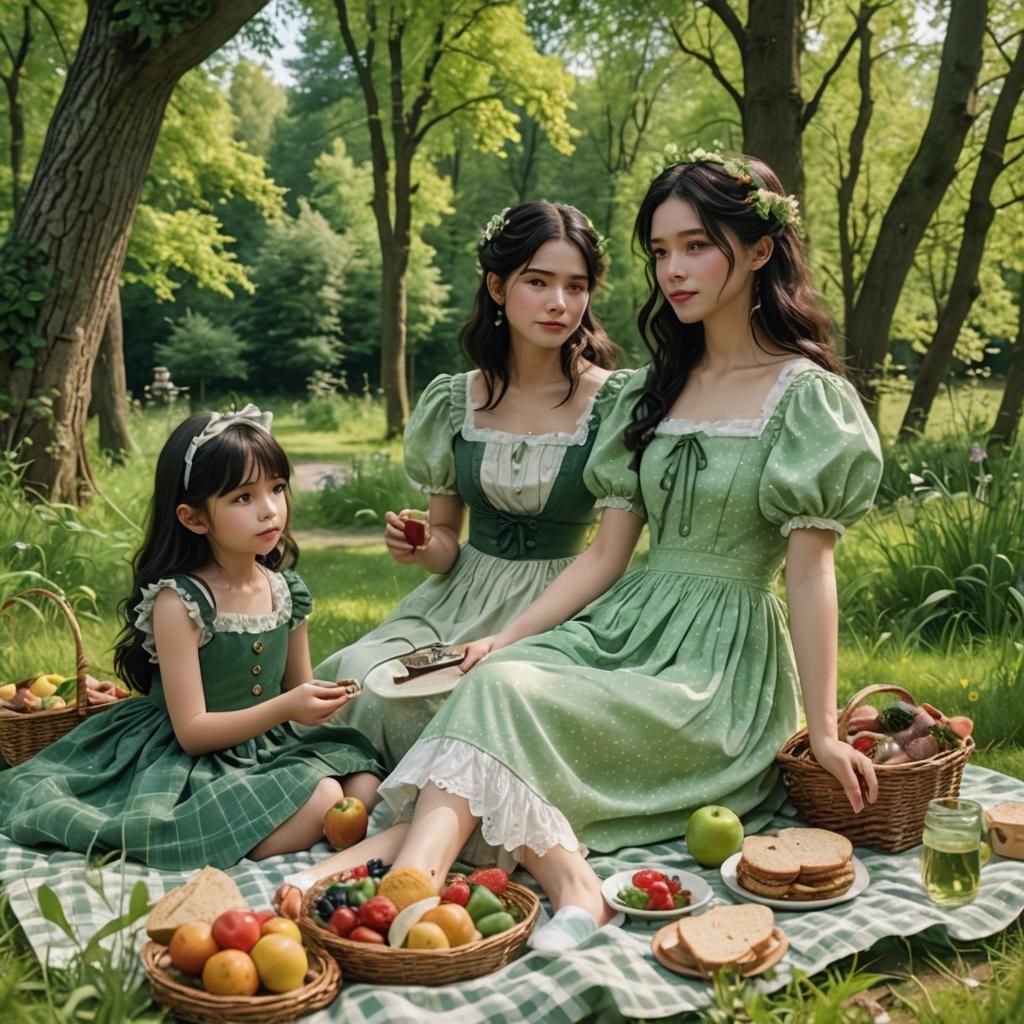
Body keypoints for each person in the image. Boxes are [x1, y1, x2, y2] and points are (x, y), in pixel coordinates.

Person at [277, 150, 884, 948]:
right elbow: (604, 558)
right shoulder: (654, 387)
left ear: (761, 249)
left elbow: (810, 577)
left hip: (716, 667)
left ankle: (391, 889)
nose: (674, 270)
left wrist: (828, 727)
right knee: (500, 677)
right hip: (626, 623)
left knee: (514, 700)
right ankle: (418, 894)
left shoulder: (807, 398)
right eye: (661, 251)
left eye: (696, 245)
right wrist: (501, 637)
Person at [315, 200, 628, 769]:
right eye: (538, 282)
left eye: (576, 286)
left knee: (485, 696)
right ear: (497, 286)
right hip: (458, 597)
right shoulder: (456, 399)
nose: (560, 303)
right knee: (367, 677)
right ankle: (364, 793)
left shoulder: (611, 403)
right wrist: (420, 546)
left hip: (567, 601)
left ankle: (449, 808)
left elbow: (609, 550)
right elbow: (444, 546)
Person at [0, 407, 382, 870]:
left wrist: (327, 699)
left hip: (270, 744)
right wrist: (288, 706)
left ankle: (278, 823)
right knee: (323, 795)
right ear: (195, 518)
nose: (269, 509)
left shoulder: (287, 591)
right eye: (243, 497)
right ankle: (240, 835)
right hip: (193, 759)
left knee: (363, 783)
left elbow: (295, 688)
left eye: (277, 488)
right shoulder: (180, 602)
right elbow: (193, 732)